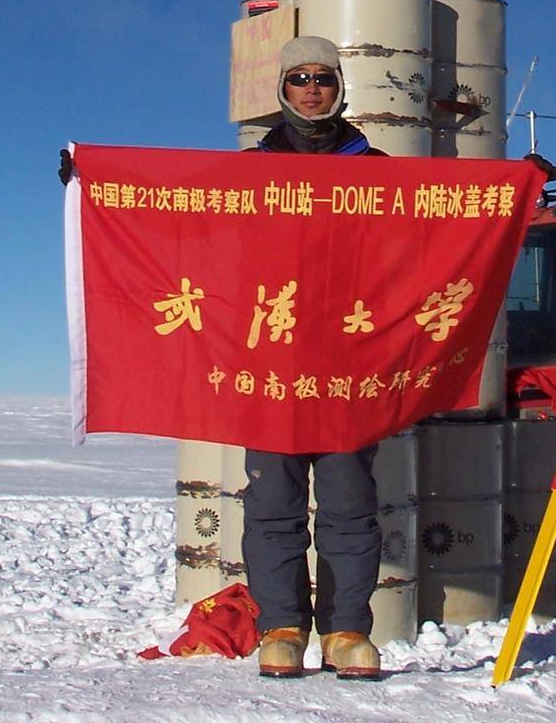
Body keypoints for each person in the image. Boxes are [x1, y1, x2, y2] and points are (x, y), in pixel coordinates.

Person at [245, 35, 386, 680]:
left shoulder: (375, 168)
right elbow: (183, 223)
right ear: (282, 88)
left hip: (348, 363)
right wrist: (93, 181)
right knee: (272, 499)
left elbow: (444, 230)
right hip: (272, 362)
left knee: (348, 499)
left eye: (323, 78)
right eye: (298, 77)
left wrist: (516, 189)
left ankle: (347, 628)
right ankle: (281, 625)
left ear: (339, 87)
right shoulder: (247, 173)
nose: (311, 88)